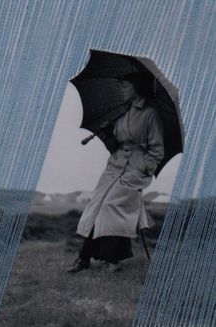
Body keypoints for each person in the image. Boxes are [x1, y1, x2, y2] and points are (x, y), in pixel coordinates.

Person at [67, 72, 165, 273]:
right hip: (115, 166)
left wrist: (142, 168)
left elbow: (157, 150)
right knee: (97, 206)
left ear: (136, 87)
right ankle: (84, 258)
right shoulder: (123, 113)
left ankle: (111, 261)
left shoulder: (150, 114)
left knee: (112, 207)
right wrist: (108, 135)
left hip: (135, 169)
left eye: (124, 85)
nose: (121, 89)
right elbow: (116, 146)